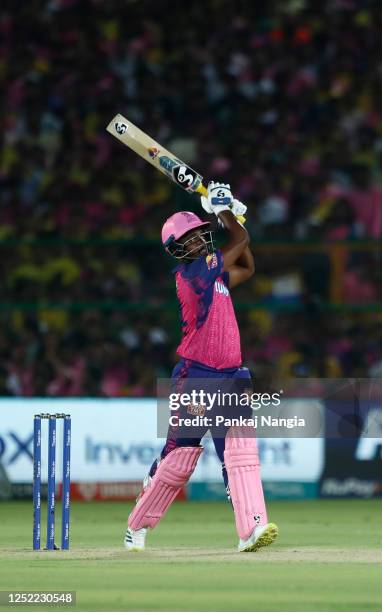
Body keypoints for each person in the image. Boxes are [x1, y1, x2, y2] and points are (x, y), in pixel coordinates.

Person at [124, 182, 278, 552]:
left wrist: (231, 215)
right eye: (187, 240)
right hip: (197, 375)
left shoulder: (217, 276)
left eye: (198, 235)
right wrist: (225, 211)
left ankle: (251, 529)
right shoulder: (192, 274)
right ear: (178, 250)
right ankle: (137, 526)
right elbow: (239, 242)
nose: (195, 242)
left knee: (239, 451)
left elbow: (248, 263)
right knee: (180, 458)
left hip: (232, 375)